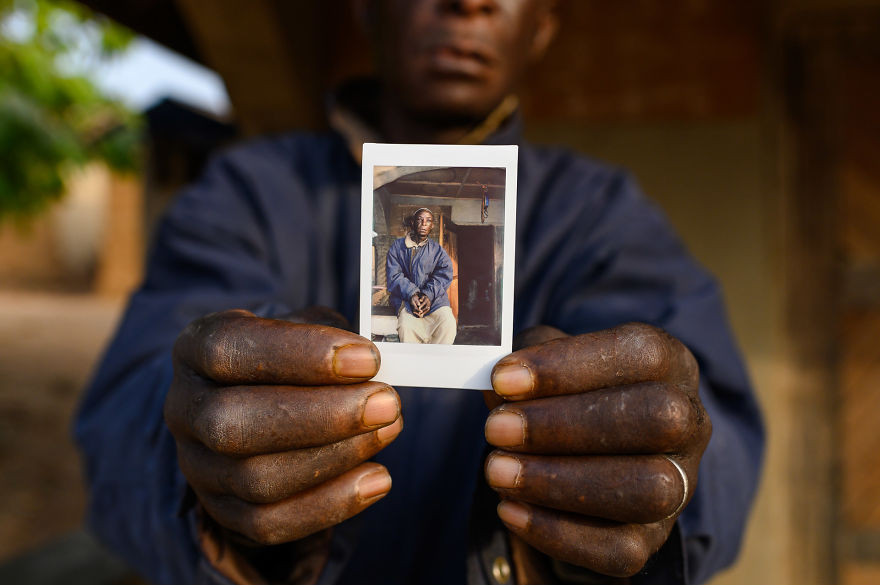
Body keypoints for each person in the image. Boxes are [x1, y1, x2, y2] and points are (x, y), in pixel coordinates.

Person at [74, 1, 764, 584]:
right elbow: (126, 413)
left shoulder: (602, 213)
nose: (469, 1)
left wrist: (659, 485)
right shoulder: (247, 191)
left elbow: (720, 434)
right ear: (367, 8)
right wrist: (210, 486)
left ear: (543, 27)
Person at [386, 207, 457, 344]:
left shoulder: (437, 250)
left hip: (434, 302)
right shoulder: (397, 247)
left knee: (448, 323)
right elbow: (394, 275)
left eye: (428, 221)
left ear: (432, 226)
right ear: (412, 223)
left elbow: (444, 274)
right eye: (420, 219)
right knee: (406, 327)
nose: (424, 224)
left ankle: (436, 362)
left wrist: (428, 295)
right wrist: (412, 294)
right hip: (407, 301)